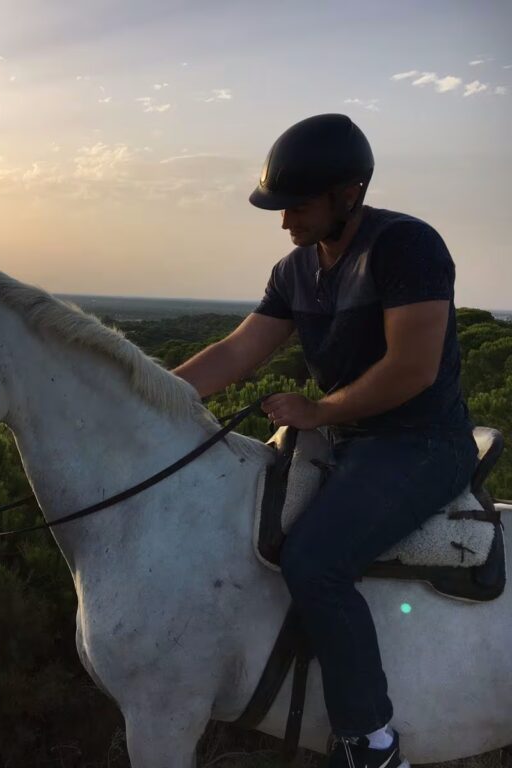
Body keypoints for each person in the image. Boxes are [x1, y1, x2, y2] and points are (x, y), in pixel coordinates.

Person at [172, 113, 477, 767]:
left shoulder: (407, 247)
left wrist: (318, 409)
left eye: (297, 205)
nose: (286, 222)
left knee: (315, 561)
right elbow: (235, 353)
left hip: (420, 443)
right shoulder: (294, 271)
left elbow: (411, 369)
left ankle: (371, 740)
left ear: (349, 193)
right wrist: (145, 399)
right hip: (346, 441)